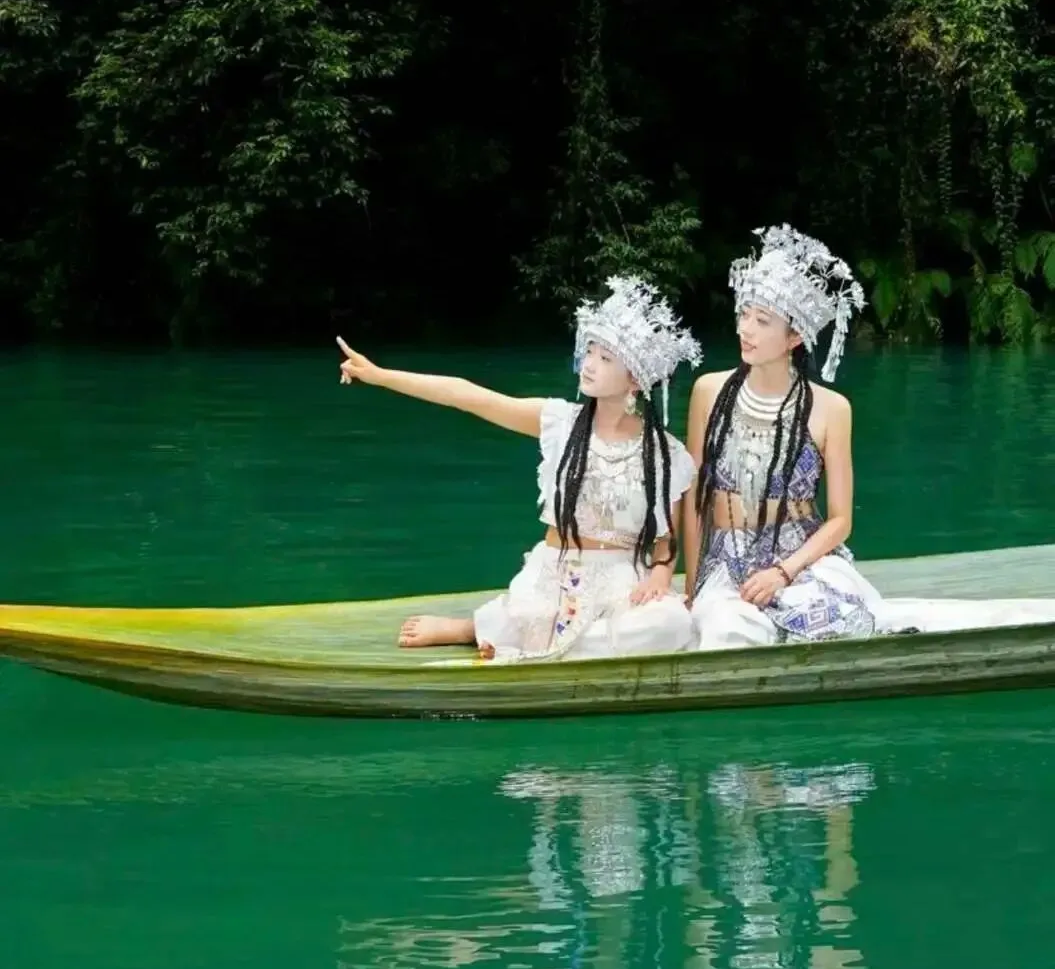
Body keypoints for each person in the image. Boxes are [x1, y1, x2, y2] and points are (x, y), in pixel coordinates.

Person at [336, 275, 701, 661]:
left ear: (634, 380)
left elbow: (666, 541)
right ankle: (488, 629)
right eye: (590, 352)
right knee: (545, 618)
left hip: (623, 580)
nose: (589, 365)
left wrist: (660, 577)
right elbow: (469, 396)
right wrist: (379, 375)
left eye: (605, 359)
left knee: (672, 623)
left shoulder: (666, 452)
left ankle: (507, 633)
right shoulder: (560, 422)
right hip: (560, 572)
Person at [684, 225, 884, 648]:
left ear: (794, 337)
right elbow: (694, 496)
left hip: (800, 554)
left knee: (836, 622)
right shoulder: (709, 391)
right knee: (728, 632)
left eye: (762, 321)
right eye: (744, 315)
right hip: (726, 556)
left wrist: (784, 571)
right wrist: (692, 584)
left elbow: (841, 520)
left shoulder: (832, 408)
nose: (746, 329)